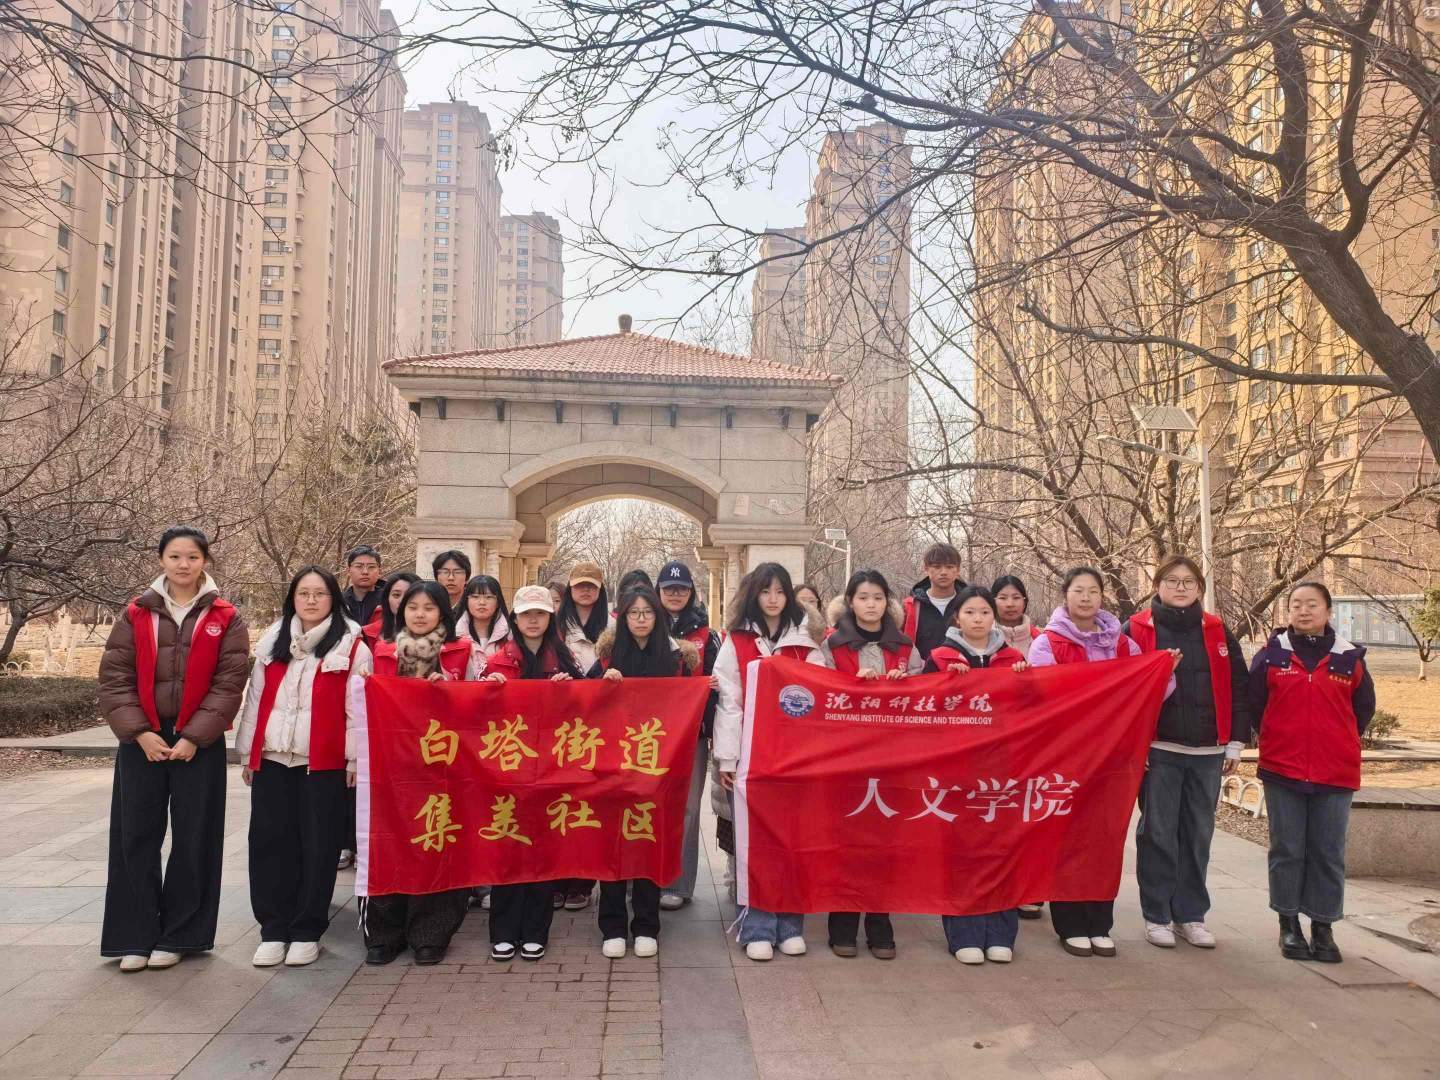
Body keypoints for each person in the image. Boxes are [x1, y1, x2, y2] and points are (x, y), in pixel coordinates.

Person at [98, 526, 249, 972]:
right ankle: (135, 935)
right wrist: (139, 733)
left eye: (193, 557)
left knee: (194, 836)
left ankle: (183, 934)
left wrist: (193, 737)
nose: (184, 565)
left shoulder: (226, 616)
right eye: (175, 556)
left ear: (206, 561)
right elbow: (115, 678)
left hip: (198, 741)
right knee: (135, 835)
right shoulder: (136, 613)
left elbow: (229, 683)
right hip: (141, 739)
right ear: (161, 560)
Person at [1028, 566, 1176, 958]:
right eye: (1079, 590)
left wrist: (1164, 672)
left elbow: (1146, 692)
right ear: (1065, 595)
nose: (1086, 597)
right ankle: (1070, 923)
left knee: (1107, 838)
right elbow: (1042, 696)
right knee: (1068, 836)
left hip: (1115, 754)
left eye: (1093, 591)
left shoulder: (1123, 644)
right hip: (1068, 753)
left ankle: (1099, 922)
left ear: (1102, 596)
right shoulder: (1048, 643)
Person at [235, 567, 370, 968]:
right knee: (269, 844)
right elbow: (255, 699)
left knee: (318, 846)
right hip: (273, 757)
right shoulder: (273, 640)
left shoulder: (351, 644)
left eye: (320, 594)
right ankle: (273, 929)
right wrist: (249, 752)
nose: (311, 601)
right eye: (303, 593)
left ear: (334, 599)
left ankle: (307, 930)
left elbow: (357, 708)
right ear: (292, 598)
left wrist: (353, 758)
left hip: (322, 763)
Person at [359, 580, 498, 965]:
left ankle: (431, 933)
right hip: (392, 765)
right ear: (400, 611)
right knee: (390, 841)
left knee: (439, 842)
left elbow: (478, 706)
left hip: (444, 766)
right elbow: (358, 705)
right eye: (413, 607)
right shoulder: (380, 651)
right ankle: (385, 933)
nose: (420, 614)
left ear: (443, 613)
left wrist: (453, 688)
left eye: (429, 608)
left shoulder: (461, 652)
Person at [1123, 556, 1252, 950]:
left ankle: (1191, 914)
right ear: (1157, 585)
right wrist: (1135, 742)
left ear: (1200, 588)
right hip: (1159, 749)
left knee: (1197, 836)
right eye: (1172, 580)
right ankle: (1157, 914)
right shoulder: (1136, 629)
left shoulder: (1216, 630)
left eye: (1189, 581)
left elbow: (1239, 686)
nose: (1181, 588)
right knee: (1158, 834)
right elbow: (1124, 689)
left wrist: (1235, 741)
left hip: (1208, 751)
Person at [1249, 581, 1375, 964]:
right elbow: (1255, 705)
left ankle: (1323, 926)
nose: (1303, 611)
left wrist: (1336, 740)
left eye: (1312, 604)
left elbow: (1363, 710)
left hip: (1335, 772)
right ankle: (1288, 924)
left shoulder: (1349, 657)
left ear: (1328, 611)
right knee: (1287, 849)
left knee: (1328, 852)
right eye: (1296, 605)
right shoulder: (1272, 655)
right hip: (1282, 768)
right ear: (1288, 611)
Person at [713, 562, 826, 962]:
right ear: (753, 595)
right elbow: (729, 702)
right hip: (751, 757)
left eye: (780, 591)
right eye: (765, 591)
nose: (773, 598)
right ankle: (757, 925)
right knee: (754, 842)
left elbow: (820, 698)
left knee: (793, 841)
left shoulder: (806, 644)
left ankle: (790, 925)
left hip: (795, 758)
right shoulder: (737, 641)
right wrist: (728, 758)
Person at [589, 585, 702, 958]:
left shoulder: (677, 659)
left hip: (656, 766)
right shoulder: (606, 657)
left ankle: (646, 925)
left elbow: (691, 706)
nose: (640, 620)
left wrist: (706, 689)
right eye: (634, 613)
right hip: (611, 765)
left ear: (658, 617)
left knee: (647, 842)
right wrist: (601, 686)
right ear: (623, 617)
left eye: (647, 613)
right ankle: (612, 925)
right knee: (611, 844)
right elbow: (581, 702)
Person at [820, 570, 923, 959]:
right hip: (846, 757)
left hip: (893, 757)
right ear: (850, 602)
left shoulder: (905, 647)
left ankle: (880, 923)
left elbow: (925, 693)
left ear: (887, 602)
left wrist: (904, 683)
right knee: (846, 842)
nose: (871, 604)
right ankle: (843, 924)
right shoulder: (832, 645)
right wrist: (851, 684)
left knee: (885, 843)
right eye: (863, 597)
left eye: (878, 597)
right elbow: (820, 693)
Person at [923, 585, 1029, 963]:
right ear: (957, 617)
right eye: (970, 612)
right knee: (962, 852)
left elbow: (1035, 711)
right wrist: (946, 684)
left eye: (985, 612)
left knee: (1003, 850)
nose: (978, 619)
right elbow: (922, 710)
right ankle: (964, 933)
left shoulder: (1013, 659)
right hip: (957, 770)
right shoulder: (939, 658)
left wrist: (1025, 681)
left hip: (1004, 769)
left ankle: (1001, 932)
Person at [483, 585, 587, 961]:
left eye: (540, 613)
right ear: (515, 618)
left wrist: (570, 690)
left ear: (550, 618)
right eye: (526, 613)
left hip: (550, 769)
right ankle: (503, 929)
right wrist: (487, 690)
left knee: (543, 848)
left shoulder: (565, 660)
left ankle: (536, 929)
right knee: (507, 845)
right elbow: (476, 717)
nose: (532, 620)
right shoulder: (497, 662)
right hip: (508, 768)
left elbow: (586, 711)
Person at [654, 560, 720, 911]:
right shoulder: (645, 624)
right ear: (658, 592)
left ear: (691, 592)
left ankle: (678, 884)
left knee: (688, 809)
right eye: (669, 589)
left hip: (691, 734)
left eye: (681, 589)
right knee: (649, 803)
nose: (675, 594)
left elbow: (716, 683)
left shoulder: (707, 634)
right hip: (649, 735)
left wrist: (710, 727)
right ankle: (644, 878)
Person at [344, 570, 417, 869]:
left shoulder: (449, 643)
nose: (403, 602)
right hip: (382, 735)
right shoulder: (368, 637)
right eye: (396, 595)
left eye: (410, 595)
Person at [556, 561, 612, 910]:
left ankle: (582, 880)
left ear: (601, 589)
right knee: (560, 799)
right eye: (580, 585)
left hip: (599, 725)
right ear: (570, 589)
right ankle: (558, 878)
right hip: (561, 724)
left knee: (590, 803)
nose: (586, 591)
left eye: (591, 585)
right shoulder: (556, 626)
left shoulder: (613, 627)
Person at [902, 542, 968, 660]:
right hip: (923, 671)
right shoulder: (911, 607)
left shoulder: (969, 603)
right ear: (926, 569)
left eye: (950, 567)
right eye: (937, 567)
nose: (943, 572)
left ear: (958, 570)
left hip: (964, 670)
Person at [457, 574, 512, 664]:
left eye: (489, 597)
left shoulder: (511, 636)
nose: (482, 602)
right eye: (475, 597)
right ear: (466, 601)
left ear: (498, 602)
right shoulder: (453, 635)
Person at [992, 575, 1042, 660]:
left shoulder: (1040, 640)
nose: (1010, 604)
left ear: (1024, 602)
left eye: (1016, 598)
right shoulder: (981, 640)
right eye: (1003, 598)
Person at [342, 545, 385, 628]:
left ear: (379, 571)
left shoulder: (389, 601)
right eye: (359, 566)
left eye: (371, 567)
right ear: (348, 571)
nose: (365, 572)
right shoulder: (339, 603)